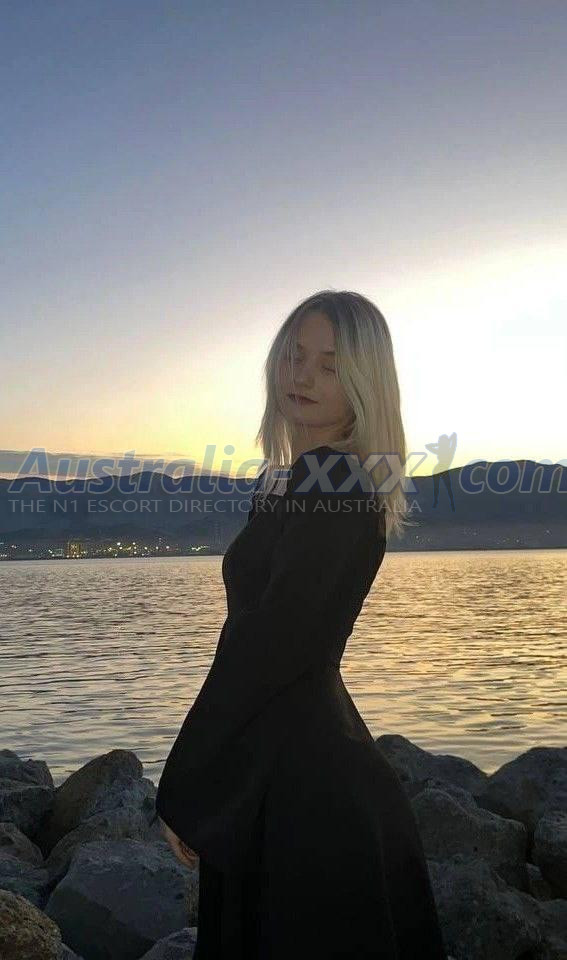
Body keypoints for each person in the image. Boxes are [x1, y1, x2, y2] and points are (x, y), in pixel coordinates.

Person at [155, 290, 448, 958]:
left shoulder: (331, 478)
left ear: (364, 382)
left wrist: (189, 781)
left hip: (305, 794)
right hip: (295, 767)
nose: (303, 375)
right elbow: (264, 641)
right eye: (294, 355)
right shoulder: (297, 482)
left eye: (330, 365)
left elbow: (273, 643)